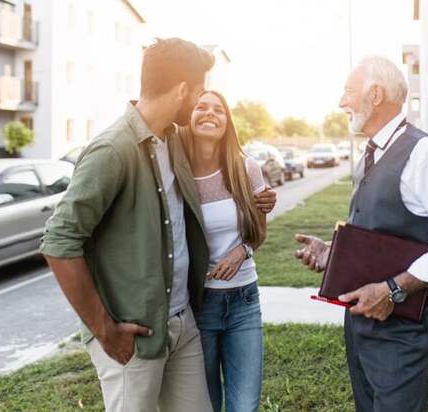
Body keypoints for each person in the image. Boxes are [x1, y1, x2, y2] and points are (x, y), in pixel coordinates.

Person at [40, 38, 276, 412]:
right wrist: (104, 329)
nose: (201, 99)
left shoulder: (170, 142)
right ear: (184, 90)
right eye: (199, 90)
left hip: (184, 323)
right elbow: (59, 241)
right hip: (135, 335)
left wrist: (259, 201)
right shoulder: (113, 150)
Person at [294, 56, 428, 412]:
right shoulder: (370, 154)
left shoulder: (427, 155)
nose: (341, 102)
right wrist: (336, 252)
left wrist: (392, 290)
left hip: (401, 331)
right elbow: (383, 230)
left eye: (348, 92)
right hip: (360, 323)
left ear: (374, 94)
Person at [177, 90, 266, 412]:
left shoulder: (246, 167)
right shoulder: (176, 174)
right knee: (207, 404)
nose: (209, 113)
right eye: (201, 107)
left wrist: (241, 251)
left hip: (244, 301)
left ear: (228, 122)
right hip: (198, 305)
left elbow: (259, 232)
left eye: (218, 109)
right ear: (188, 116)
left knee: (244, 406)